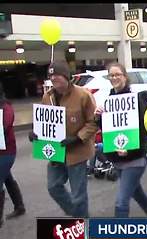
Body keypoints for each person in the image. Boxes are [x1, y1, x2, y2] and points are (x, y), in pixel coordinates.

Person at [93, 63, 147, 239]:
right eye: (111, 75)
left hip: (135, 158)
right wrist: (98, 117)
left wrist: (130, 146)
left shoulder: (136, 99)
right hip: (117, 157)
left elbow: (145, 127)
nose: (114, 78)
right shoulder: (109, 101)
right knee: (135, 191)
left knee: (121, 201)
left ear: (125, 76)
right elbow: (107, 129)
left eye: (117, 74)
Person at [28, 61, 97, 218]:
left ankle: (83, 227)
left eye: (57, 74)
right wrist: (35, 133)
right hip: (55, 152)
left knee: (79, 195)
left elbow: (93, 122)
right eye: (51, 75)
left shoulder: (83, 95)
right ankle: (77, 214)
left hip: (77, 153)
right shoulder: (48, 96)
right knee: (53, 187)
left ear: (66, 76)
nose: (54, 78)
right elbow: (43, 120)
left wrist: (77, 138)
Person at [1, 82, 25, 227]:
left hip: (6, 152)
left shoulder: (6, 107)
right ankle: (19, 206)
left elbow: (3, 126)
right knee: (7, 178)